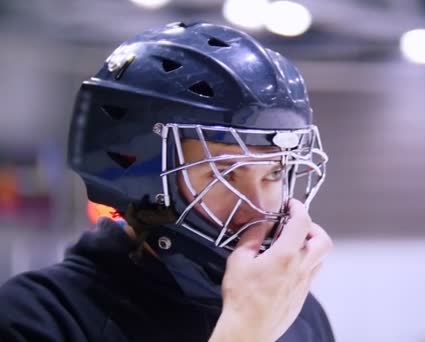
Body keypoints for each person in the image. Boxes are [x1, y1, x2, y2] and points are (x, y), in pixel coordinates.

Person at [0, 21, 334, 342]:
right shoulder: (33, 319)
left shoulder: (296, 314)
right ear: (141, 175)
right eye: (226, 172)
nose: (260, 208)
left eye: (274, 172)